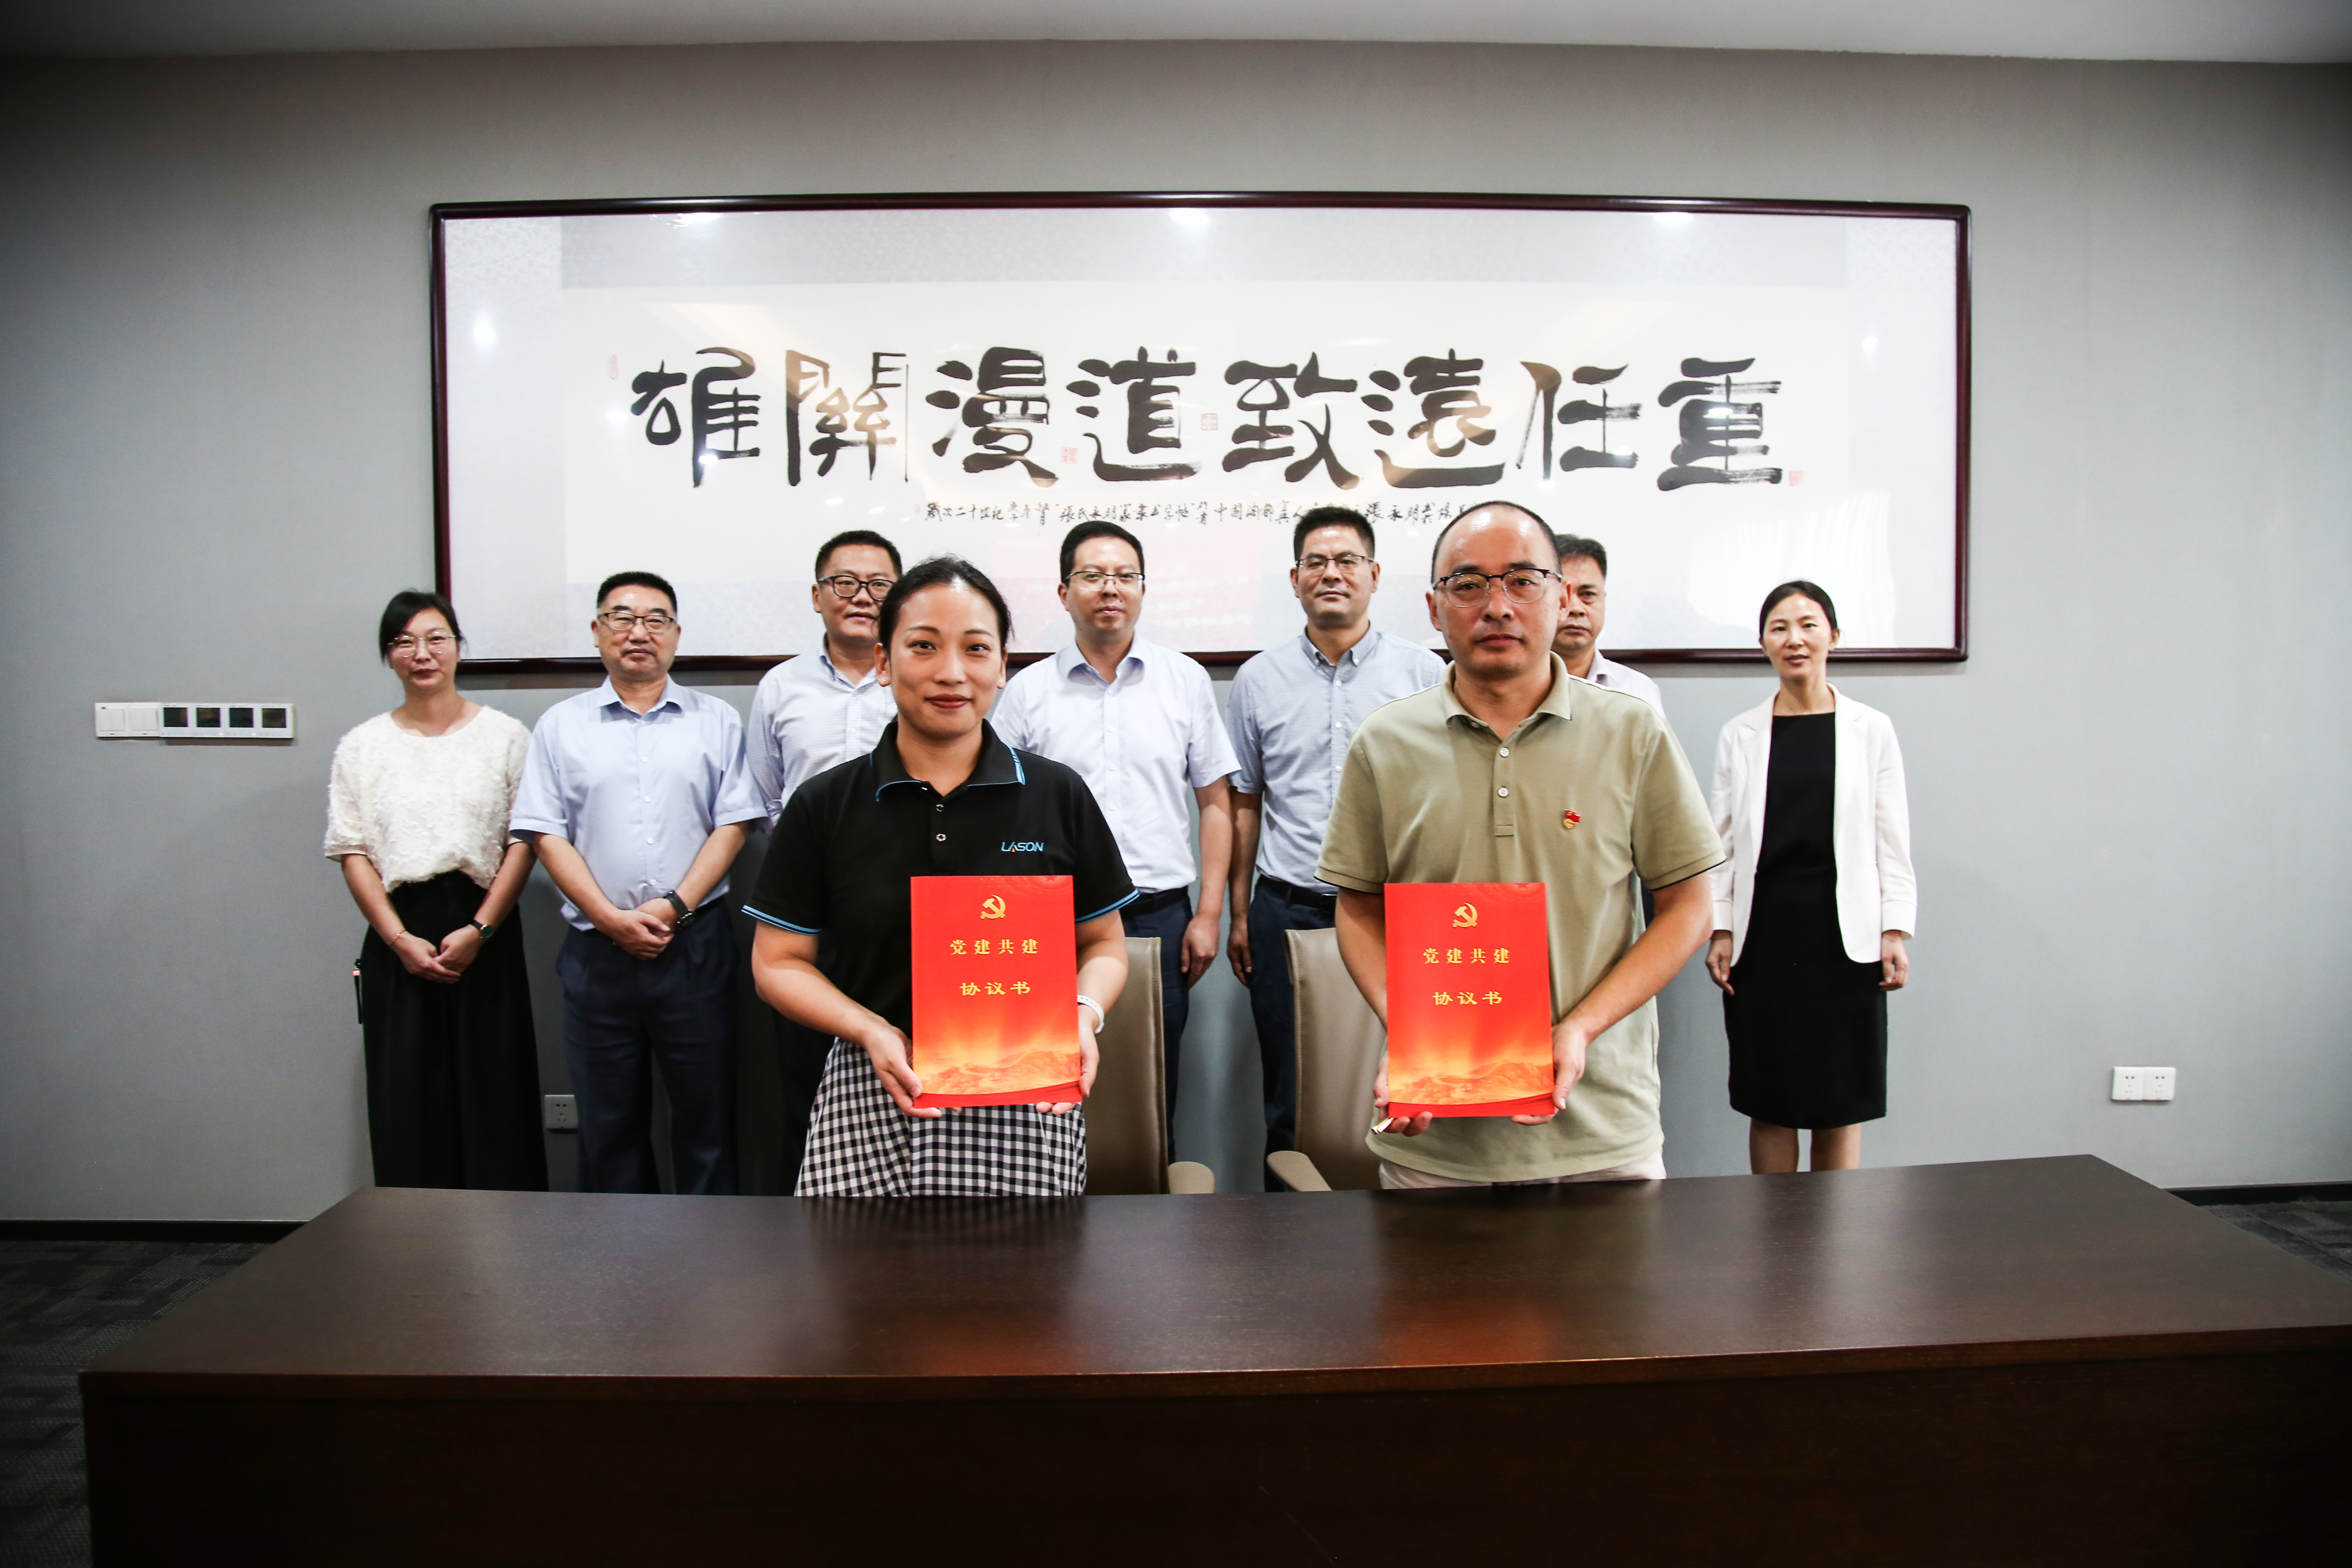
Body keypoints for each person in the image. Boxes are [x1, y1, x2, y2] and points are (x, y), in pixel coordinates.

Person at [1318, 501, 1724, 1187]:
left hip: (1603, 1132)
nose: (1498, 606)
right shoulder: (1384, 744)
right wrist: (1413, 1033)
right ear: (1433, 607)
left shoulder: (1633, 732)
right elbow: (1358, 909)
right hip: (1441, 1141)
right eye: (1469, 584)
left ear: (1561, 597)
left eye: (1523, 581)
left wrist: (1581, 1029)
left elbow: (1689, 907)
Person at [745, 556, 1134, 1196]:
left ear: (1002, 666)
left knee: (1032, 1266)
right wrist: (869, 1029)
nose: (951, 672)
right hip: (873, 1090)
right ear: (883, 661)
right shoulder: (826, 804)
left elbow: (1105, 945)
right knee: (855, 1264)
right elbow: (777, 963)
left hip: (1029, 1100)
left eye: (976, 648)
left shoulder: (1056, 794)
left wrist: (1082, 1014)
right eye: (923, 646)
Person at [508, 571, 764, 1194]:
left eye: (656, 620)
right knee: (608, 1125)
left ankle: (711, 1249)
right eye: (622, 618)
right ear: (598, 632)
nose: (638, 632)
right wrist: (608, 918)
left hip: (695, 946)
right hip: (597, 953)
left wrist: (674, 907)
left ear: (676, 634)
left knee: (708, 1118)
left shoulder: (716, 721)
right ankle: (621, 1254)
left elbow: (734, 824)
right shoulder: (561, 726)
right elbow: (545, 833)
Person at [992, 520, 1237, 1127]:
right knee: (1049, 1090)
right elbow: (998, 813)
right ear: (1063, 592)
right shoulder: (1027, 692)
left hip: (1161, 916)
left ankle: (1156, 1188)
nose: (1110, 588)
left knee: (1152, 1088)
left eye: (1125, 576)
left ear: (1143, 589)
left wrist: (1209, 914)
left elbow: (1215, 802)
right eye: (1093, 576)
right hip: (1055, 920)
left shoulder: (1184, 680)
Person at [1225, 505, 1444, 1167]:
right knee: (1290, 1091)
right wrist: (1240, 912)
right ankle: (1290, 1223)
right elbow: (1244, 803)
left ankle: (1400, 1213)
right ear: (1295, 580)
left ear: (1374, 575)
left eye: (1347, 561)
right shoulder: (1257, 680)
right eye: (1316, 563)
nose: (1331, 574)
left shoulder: (1425, 675)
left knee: (1410, 1078)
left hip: (1394, 912)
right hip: (1287, 908)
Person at [325, 590, 545, 1191]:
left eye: (435, 639)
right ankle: (414, 1239)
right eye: (404, 643)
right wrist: (397, 940)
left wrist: (480, 930)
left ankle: (508, 1236)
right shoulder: (362, 746)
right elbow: (351, 849)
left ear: (458, 648)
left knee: (495, 1096)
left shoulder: (506, 737)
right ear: (389, 655)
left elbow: (525, 841)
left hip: (485, 928)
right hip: (400, 934)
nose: (421, 654)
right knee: (407, 1100)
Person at [1705, 580, 1915, 1174]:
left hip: (1845, 938)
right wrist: (1720, 928)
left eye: (1808, 625)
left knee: (1839, 1103)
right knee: (1770, 1101)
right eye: (1779, 628)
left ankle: (1838, 1227)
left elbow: (1892, 837)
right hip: (1764, 938)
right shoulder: (1740, 733)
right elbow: (1720, 843)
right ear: (1764, 644)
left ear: (1834, 637)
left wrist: (1895, 929)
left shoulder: (1871, 729)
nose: (1794, 639)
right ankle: (1775, 1225)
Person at [746, 528, 901, 1187]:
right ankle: (808, 1231)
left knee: (901, 1077)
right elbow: (764, 800)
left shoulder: (919, 678)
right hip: (808, 923)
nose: (862, 596)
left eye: (880, 584)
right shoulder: (781, 687)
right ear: (818, 596)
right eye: (845, 583)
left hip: (902, 918)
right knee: (805, 1085)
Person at [1551, 533, 1664, 711]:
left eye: (1588, 595)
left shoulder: (1638, 691)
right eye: (1562, 596)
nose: (1576, 608)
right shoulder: (1511, 688)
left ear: (1603, 599)